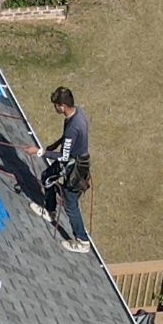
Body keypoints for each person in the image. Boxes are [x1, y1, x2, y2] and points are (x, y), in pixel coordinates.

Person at [43, 87, 93, 252]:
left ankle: (82, 241)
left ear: (62, 106)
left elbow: (64, 156)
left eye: (56, 105)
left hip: (75, 167)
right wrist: (56, 144)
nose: (55, 108)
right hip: (77, 161)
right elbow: (69, 140)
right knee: (47, 176)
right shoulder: (79, 114)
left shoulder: (73, 127)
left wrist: (40, 152)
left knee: (70, 204)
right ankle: (49, 210)